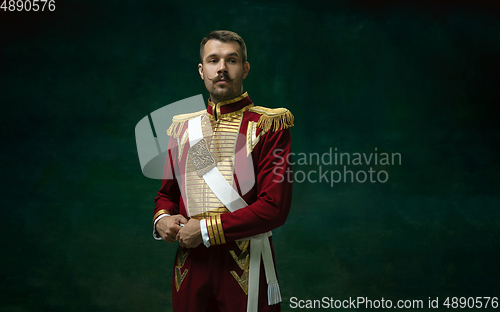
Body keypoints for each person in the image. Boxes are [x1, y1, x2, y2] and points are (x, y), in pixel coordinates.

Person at [152, 30, 294, 312]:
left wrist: (204, 230)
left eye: (232, 60)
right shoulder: (183, 129)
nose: (222, 69)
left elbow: (274, 207)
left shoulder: (268, 125)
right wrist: (162, 219)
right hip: (190, 264)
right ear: (202, 70)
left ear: (245, 68)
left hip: (244, 264)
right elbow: (166, 195)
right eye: (214, 60)